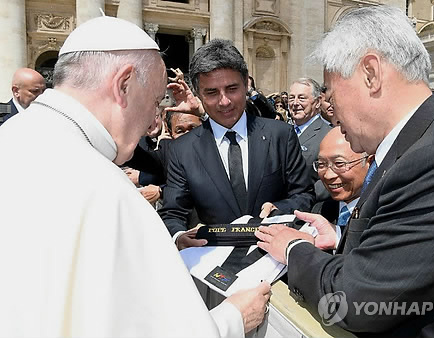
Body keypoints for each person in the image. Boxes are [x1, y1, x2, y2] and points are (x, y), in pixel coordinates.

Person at [0, 16, 271, 337]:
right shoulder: (106, 191)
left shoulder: (12, 135)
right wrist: (234, 318)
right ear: (123, 84)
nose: (153, 120)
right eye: (156, 101)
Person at [255, 5, 434, 337]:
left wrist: (293, 249)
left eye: (332, 91)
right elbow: (418, 256)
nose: (333, 109)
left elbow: (355, 301)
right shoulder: (427, 139)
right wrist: (343, 240)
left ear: (371, 73)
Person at [158, 39, 315, 250]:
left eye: (232, 89)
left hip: (275, 260)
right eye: (212, 93)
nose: (224, 101)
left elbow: (304, 195)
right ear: (198, 94)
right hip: (212, 261)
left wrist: (279, 208)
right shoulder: (182, 150)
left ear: (245, 85)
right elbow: (173, 212)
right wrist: (178, 236)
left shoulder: (281, 135)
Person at [309, 127, 371, 249]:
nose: (328, 175)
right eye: (321, 165)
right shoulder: (321, 211)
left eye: (339, 164)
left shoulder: (381, 213)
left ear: (369, 162)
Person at [288, 78, 332, 201]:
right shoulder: (282, 132)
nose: (295, 103)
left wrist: (302, 199)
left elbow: (330, 178)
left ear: (317, 102)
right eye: (291, 98)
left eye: (302, 98)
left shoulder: (327, 135)